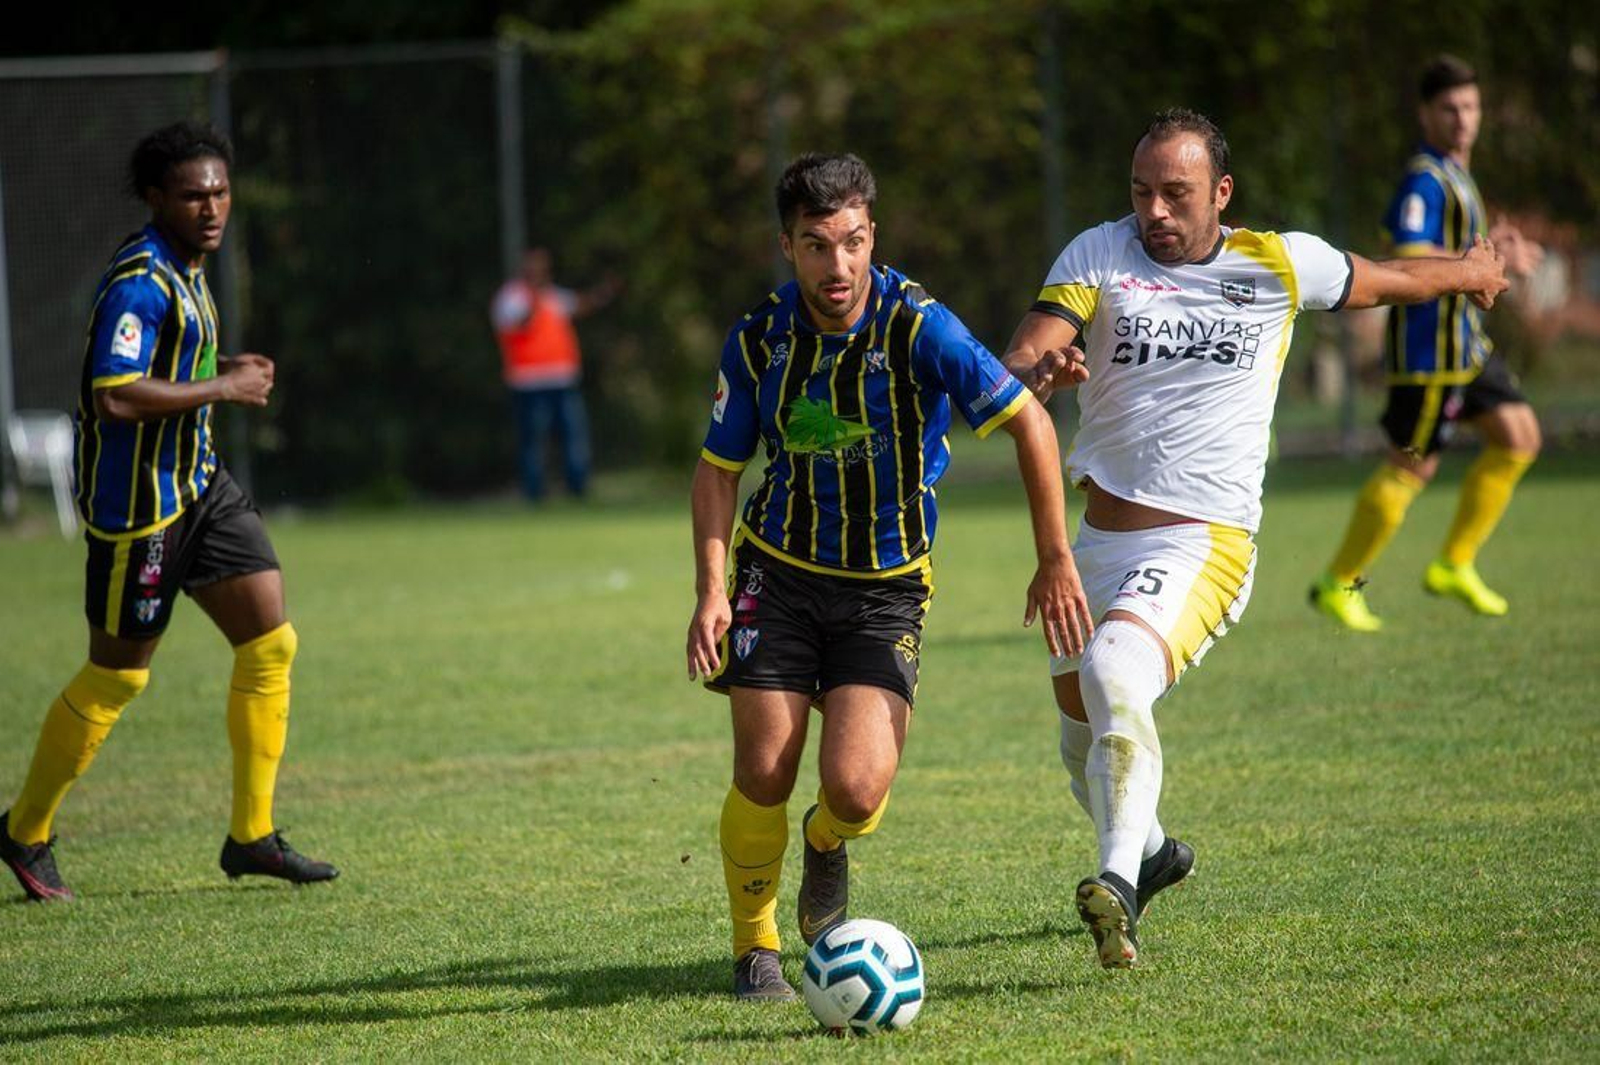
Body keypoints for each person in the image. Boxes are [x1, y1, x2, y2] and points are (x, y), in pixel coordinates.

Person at [1002, 108, 1507, 968]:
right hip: (1096, 541)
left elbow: (1383, 277)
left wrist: (1470, 269)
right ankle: (1154, 852)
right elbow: (1024, 356)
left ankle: (1116, 885)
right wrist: (1038, 373)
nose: (1153, 211)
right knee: (1080, 739)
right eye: (1141, 191)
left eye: (1175, 193)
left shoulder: (1278, 261)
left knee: (1115, 670)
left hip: (1205, 542)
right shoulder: (1098, 253)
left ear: (1220, 194)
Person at [685, 152, 1093, 1000]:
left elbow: (1029, 426)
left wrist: (1055, 558)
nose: (839, 266)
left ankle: (826, 842)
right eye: (817, 246)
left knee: (857, 789)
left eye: (854, 242)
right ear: (787, 247)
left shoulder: (920, 326)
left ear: (873, 232)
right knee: (764, 763)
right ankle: (755, 948)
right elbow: (719, 468)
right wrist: (713, 589)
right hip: (780, 574)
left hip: (884, 586)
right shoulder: (759, 340)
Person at [0, 120, 337, 902]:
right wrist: (224, 388)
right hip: (138, 511)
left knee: (269, 641)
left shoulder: (190, 267)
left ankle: (251, 835)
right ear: (157, 199)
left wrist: (221, 365)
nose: (212, 206)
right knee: (118, 679)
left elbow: (166, 365)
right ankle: (24, 827)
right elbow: (115, 396)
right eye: (193, 194)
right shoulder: (141, 280)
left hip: (200, 487)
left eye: (219, 190)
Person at [1311, 55, 1544, 630]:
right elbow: (1410, 255)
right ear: (1426, 113)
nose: (1462, 118)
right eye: (1449, 108)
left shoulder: (1457, 176)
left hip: (1466, 349)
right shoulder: (1425, 178)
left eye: (1470, 106)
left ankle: (1454, 563)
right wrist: (1476, 265)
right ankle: (1339, 581)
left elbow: (1466, 255)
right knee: (1410, 466)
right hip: (1428, 356)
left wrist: (1498, 256)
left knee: (1519, 437)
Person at [490, 247, 618, 501]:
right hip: (529, 381)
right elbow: (519, 322)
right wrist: (535, 298)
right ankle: (534, 492)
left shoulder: (552, 295)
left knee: (573, 437)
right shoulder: (511, 296)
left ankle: (577, 490)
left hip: (562, 378)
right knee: (534, 440)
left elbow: (580, 305)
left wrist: (604, 292)